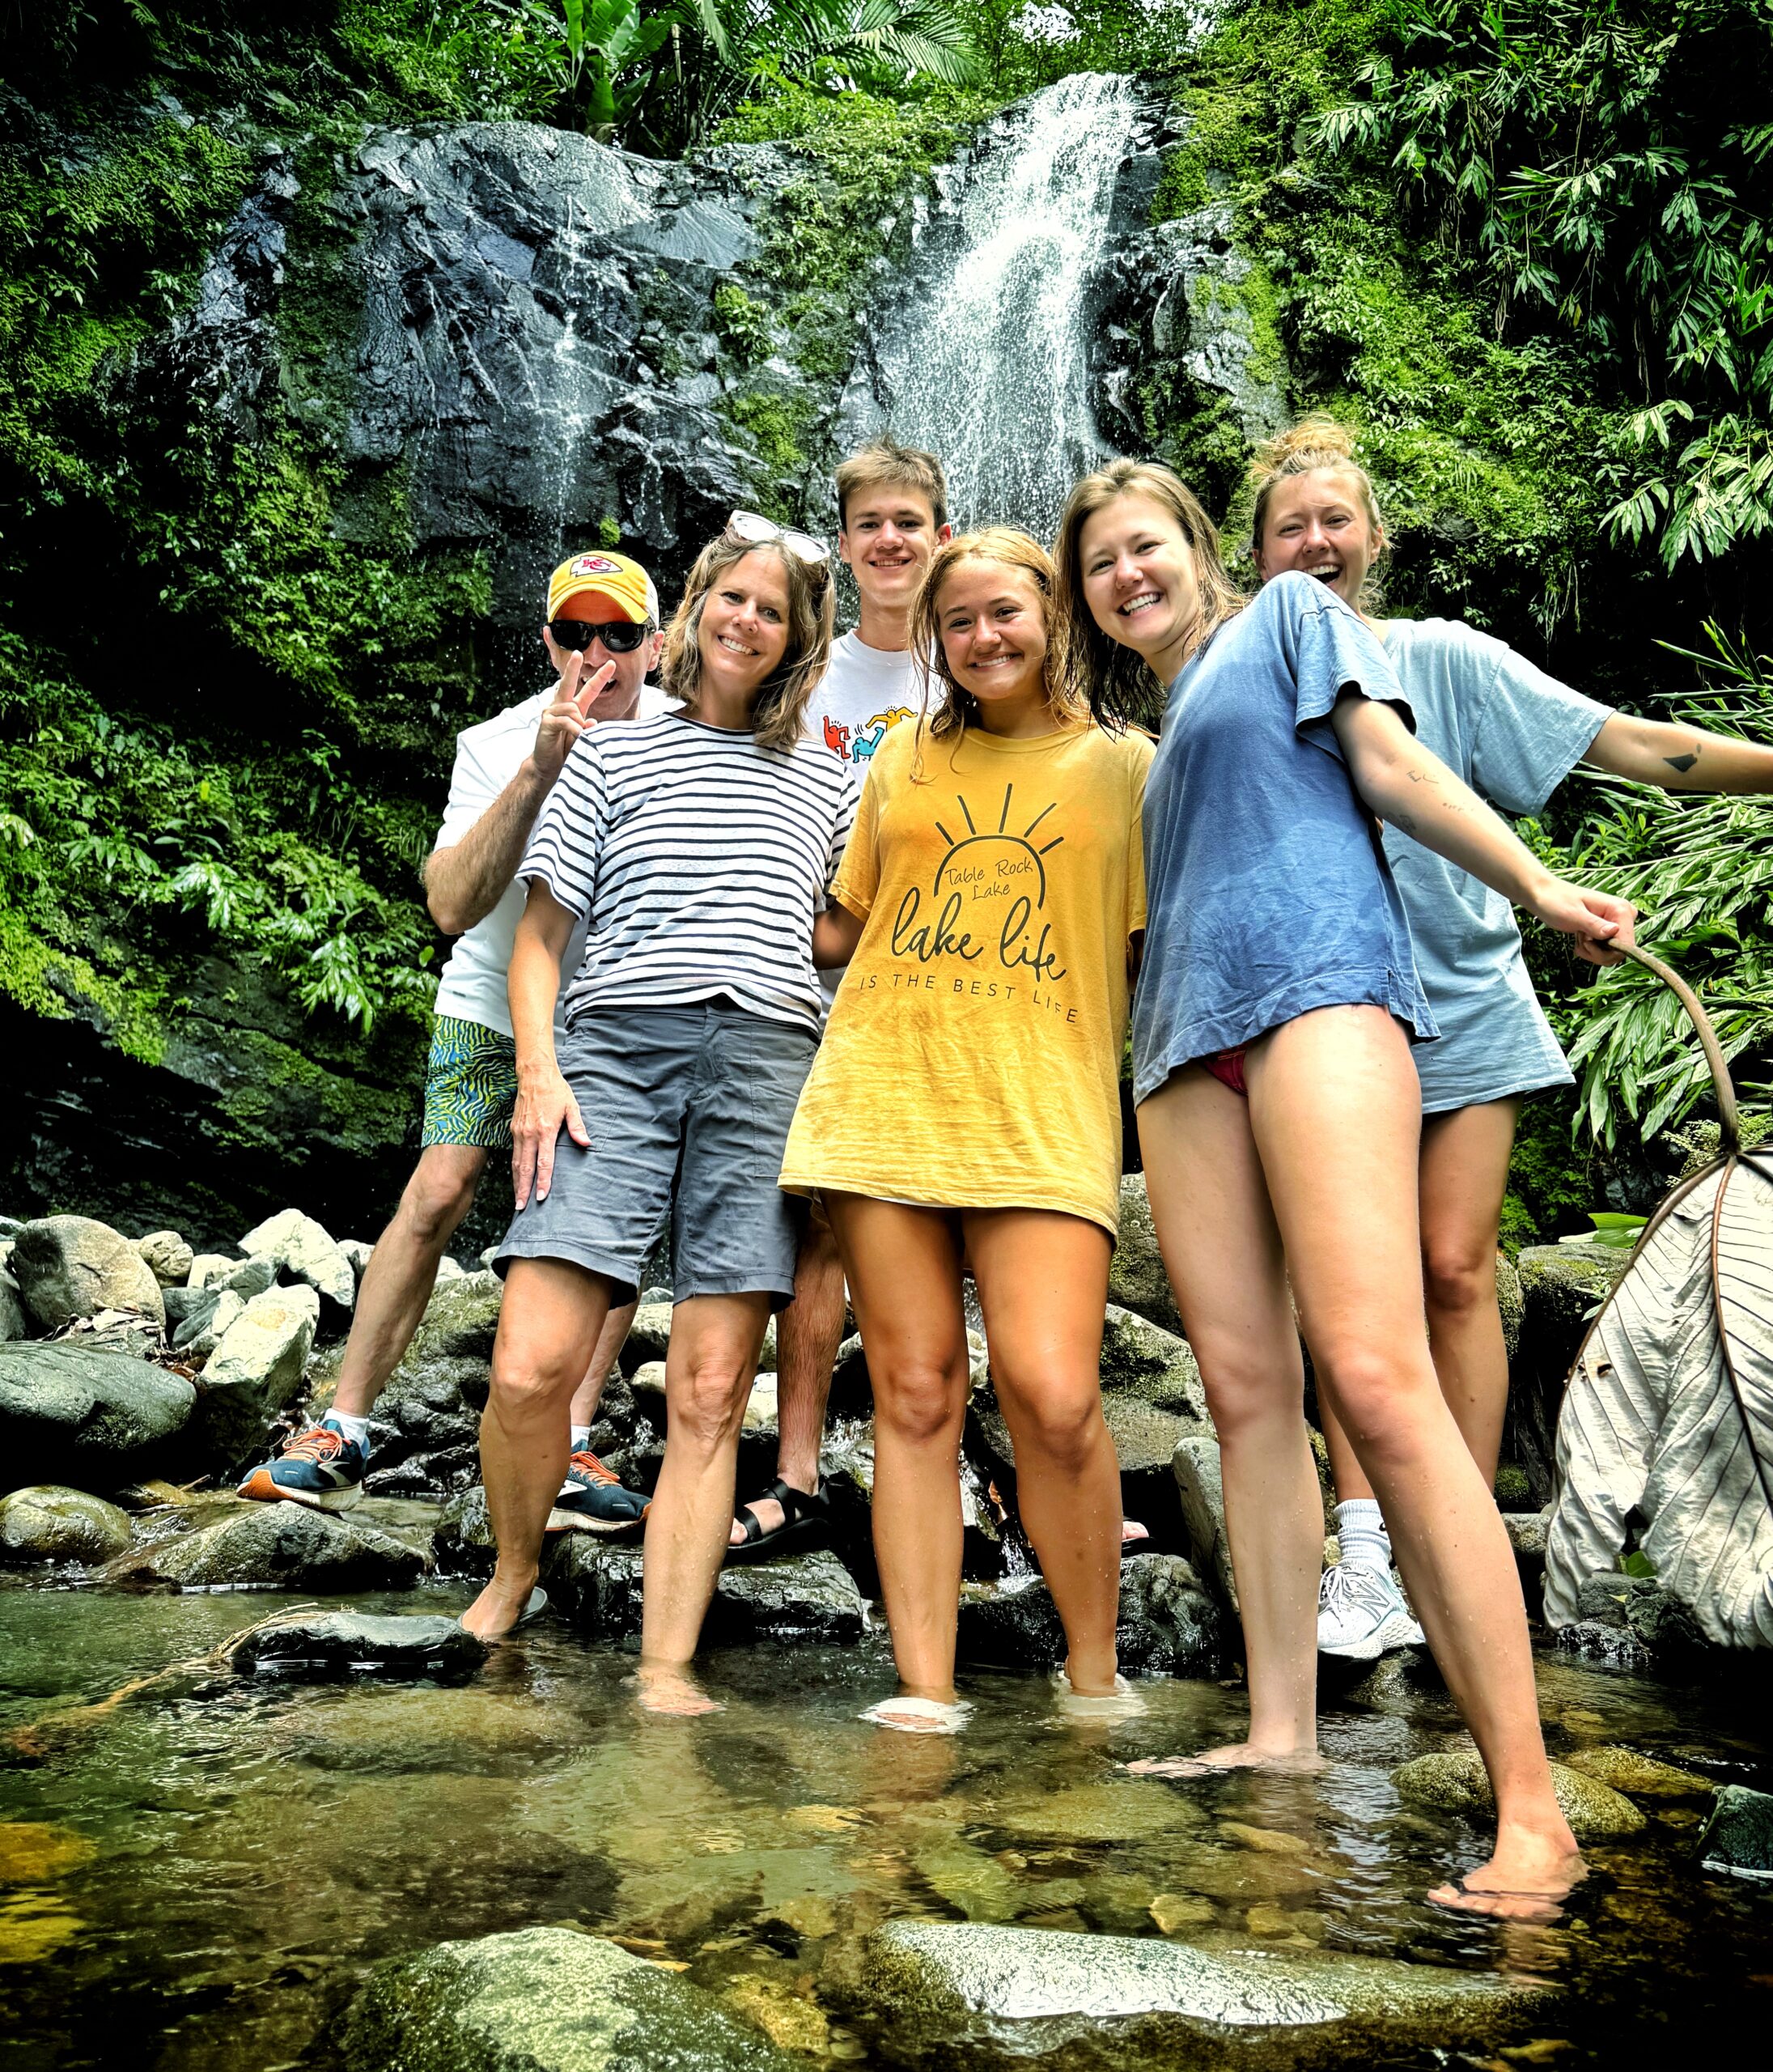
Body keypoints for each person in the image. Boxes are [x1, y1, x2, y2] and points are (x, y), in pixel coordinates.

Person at [1054, 457, 1636, 1918]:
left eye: (1145, 547)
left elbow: (1390, 767)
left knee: (1375, 1376)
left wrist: (1538, 888)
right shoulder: (1152, 725)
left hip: (1321, 993)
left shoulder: (1291, 623)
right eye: (1098, 566)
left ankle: (1531, 1809)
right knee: (1248, 1397)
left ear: (1199, 548)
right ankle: (1278, 1736)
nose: (1127, 575)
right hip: (1182, 1045)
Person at [1246, 415, 1773, 1659]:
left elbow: (1641, 747)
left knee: (1451, 1269)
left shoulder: (1445, 661)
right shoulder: (1245, 676)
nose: (1315, 542)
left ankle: (1459, 1535)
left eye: (1334, 520)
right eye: (1288, 527)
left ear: (1373, 536)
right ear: (1255, 555)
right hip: (1325, 1019)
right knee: (1345, 1293)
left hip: (1465, 1002)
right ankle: (1367, 1550)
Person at [462, 514, 855, 1717]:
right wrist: (539, 1070)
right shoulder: (612, 755)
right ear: (693, 612)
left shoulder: (833, 780)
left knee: (703, 1395)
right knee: (528, 1369)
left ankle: (665, 1667)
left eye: (771, 609)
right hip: (611, 1059)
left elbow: (842, 940)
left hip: (764, 1068)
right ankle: (515, 1571)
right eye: (729, 598)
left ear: (798, 638)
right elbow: (539, 941)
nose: (745, 620)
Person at [780, 527, 1154, 1734]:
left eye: (1004, 613)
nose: (982, 637)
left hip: (1044, 1109)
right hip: (884, 1093)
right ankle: (924, 1686)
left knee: (1051, 1395)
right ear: (931, 643)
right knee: (915, 1393)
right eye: (957, 623)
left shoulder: (1128, 768)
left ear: (1052, 615)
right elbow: (842, 924)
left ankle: (1094, 1679)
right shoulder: (899, 760)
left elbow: (1159, 949)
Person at [237, 552, 670, 1521]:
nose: (594, 655)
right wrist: (537, 770)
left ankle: (570, 1442)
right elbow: (448, 904)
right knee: (438, 1185)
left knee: (605, 1218)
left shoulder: (691, 735)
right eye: (574, 634)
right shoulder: (498, 739)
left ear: (659, 642)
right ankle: (342, 1423)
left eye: (619, 636)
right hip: (486, 996)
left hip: (613, 1006)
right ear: (546, 639)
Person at [727, 439, 954, 1559]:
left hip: (942, 976)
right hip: (808, 971)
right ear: (845, 544)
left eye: (908, 520)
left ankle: (963, 1462)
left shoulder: (976, 659)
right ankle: (799, 1468)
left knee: (962, 1213)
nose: (889, 541)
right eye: (868, 522)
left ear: (941, 537)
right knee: (815, 1215)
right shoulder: (803, 673)